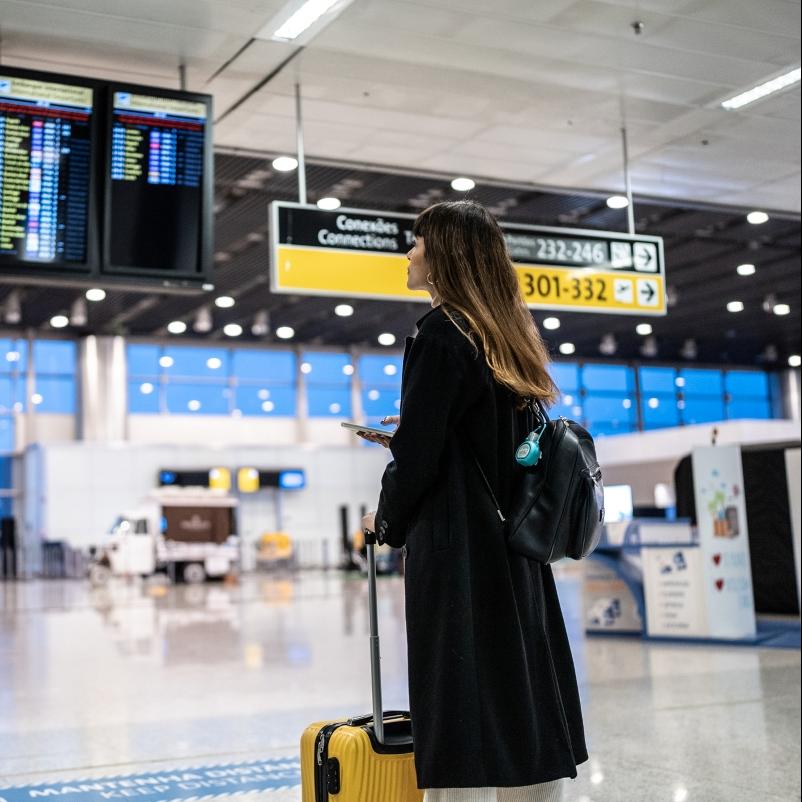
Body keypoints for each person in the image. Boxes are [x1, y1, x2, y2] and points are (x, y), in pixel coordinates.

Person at [361, 201, 588, 802]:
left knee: (458, 688)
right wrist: (417, 427)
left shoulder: (441, 332)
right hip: (515, 544)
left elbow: (419, 460)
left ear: (444, 255)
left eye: (417, 242)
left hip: (459, 547)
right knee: (518, 682)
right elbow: (492, 436)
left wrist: (386, 519)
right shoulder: (503, 332)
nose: (408, 253)